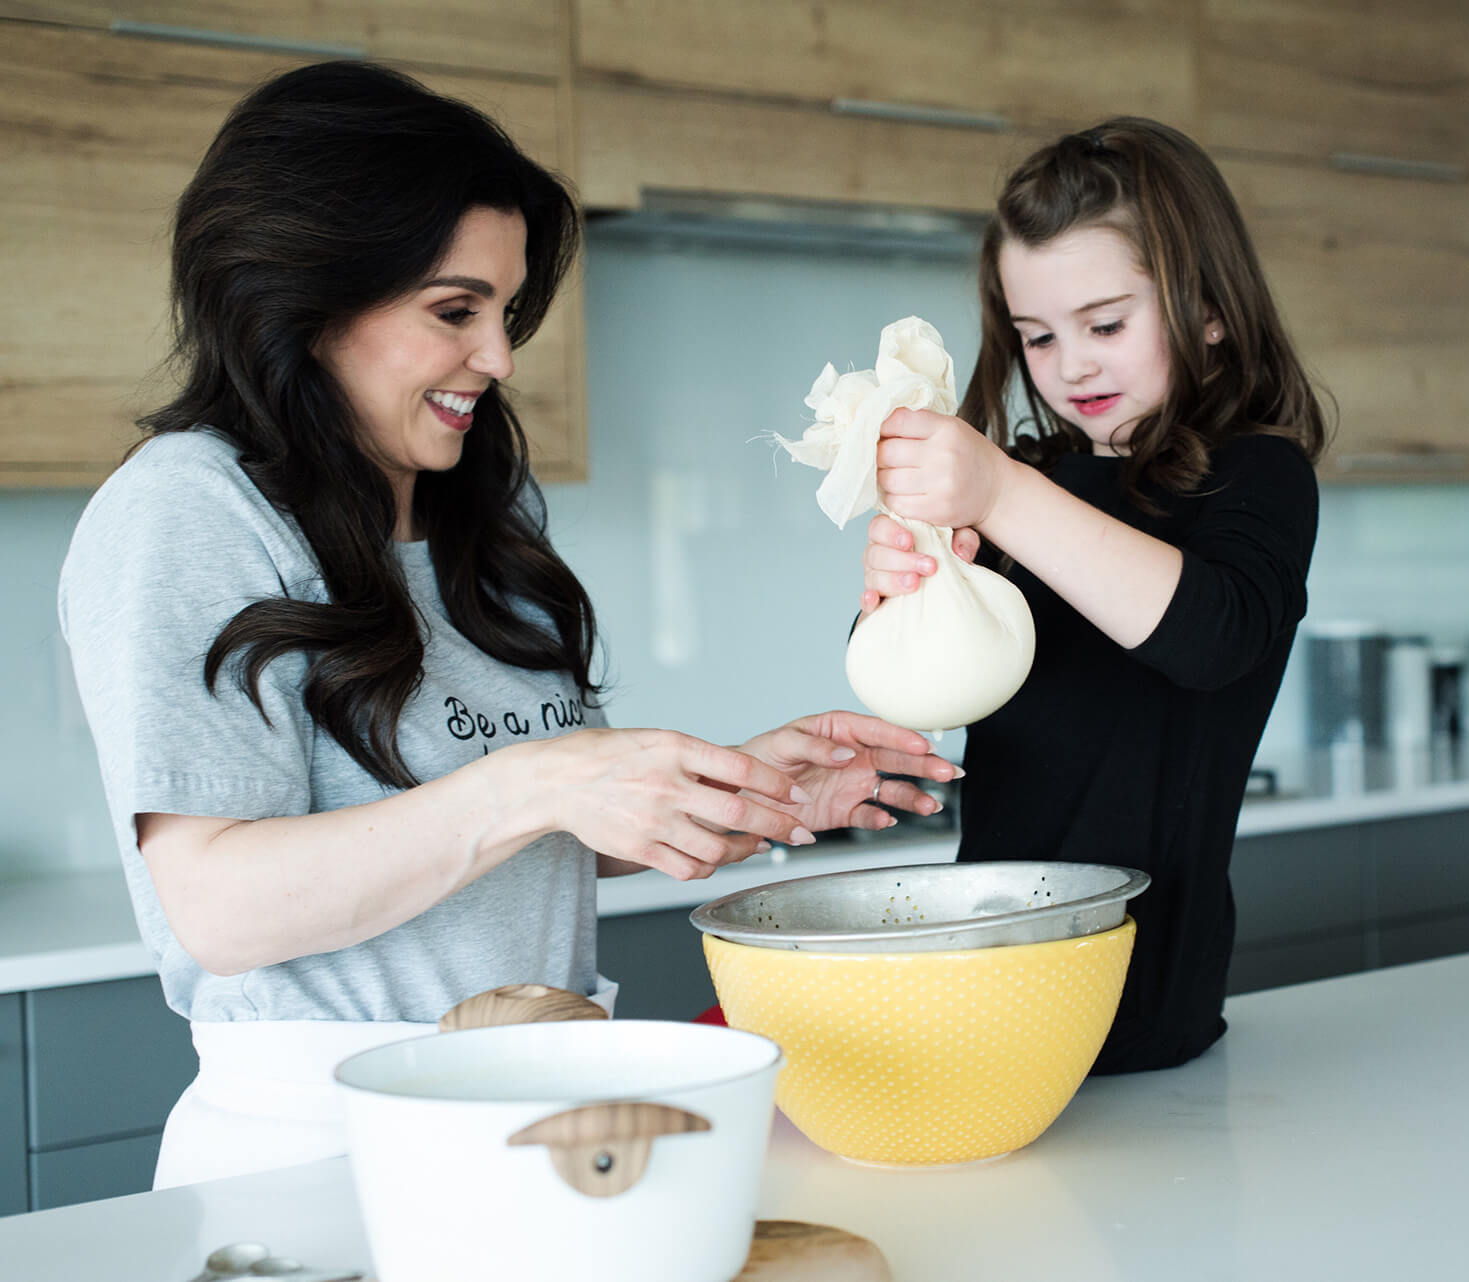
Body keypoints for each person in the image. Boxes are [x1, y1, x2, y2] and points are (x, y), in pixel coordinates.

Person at [57, 61, 953, 1189]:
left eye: (505, 309)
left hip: (549, 1113)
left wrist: (728, 791)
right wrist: (541, 779)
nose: (500, 358)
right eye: (454, 311)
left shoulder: (480, 511)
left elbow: (505, 832)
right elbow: (218, 908)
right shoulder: (190, 506)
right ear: (309, 297)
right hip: (320, 1153)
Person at [860, 118, 1325, 1074]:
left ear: (1207, 309)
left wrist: (997, 492)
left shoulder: (1256, 474)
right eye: (1037, 336)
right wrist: (901, 598)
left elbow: (1212, 636)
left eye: (1106, 324)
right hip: (992, 974)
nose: (1071, 365)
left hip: (1147, 998)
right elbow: (934, 694)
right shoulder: (1036, 480)